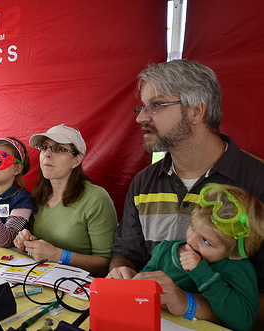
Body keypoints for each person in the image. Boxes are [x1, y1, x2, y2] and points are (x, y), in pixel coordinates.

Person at [108, 59, 264, 327]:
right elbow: (127, 250)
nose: (140, 117)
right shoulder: (144, 182)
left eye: (155, 105)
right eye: (142, 107)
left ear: (195, 112)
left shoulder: (257, 183)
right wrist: (121, 270)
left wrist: (188, 304)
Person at [137, 184, 264, 331]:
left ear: (235, 254)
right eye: (192, 227)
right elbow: (142, 289)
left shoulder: (238, 269)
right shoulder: (164, 251)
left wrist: (202, 273)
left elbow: (244, 321)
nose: (191, 241)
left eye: (206, 241)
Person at [13, 124, 117, 276]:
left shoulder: (97, 198)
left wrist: (59, 255)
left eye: (58, 149)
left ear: (76, 161)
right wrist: (25, 242)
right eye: (44, 147)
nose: (47, 154)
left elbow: (105, 264)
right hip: (41, 279)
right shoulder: (37, 196)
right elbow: (40, 249)